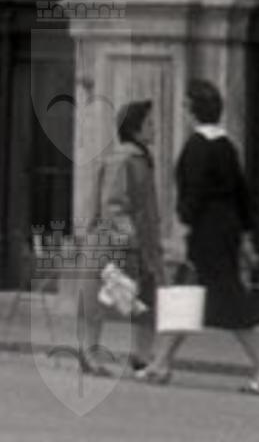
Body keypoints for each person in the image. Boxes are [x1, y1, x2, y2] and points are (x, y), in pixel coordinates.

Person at [142, 79, 259, 393]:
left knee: (227, 298)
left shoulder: (196, 147)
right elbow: (243, 194)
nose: (183, 110)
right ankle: (161, 363)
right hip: (226, 229)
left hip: (206, 231)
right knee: (188, 295)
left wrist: (182, 230)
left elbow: (192, 196)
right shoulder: (227, 146)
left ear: (192, 110)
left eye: (185, 105)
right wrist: (246, 236)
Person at [80, 99, 162, 378]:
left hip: (138, 243)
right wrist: (131, 236)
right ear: (135, 129)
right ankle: (91, 354)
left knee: (146, 298)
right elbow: (113, 204)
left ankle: (141, 356)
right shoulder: (123, 159)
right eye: (149, 123)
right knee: (101, 298)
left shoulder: (139, 158)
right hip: (118, 244)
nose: (154, 128)